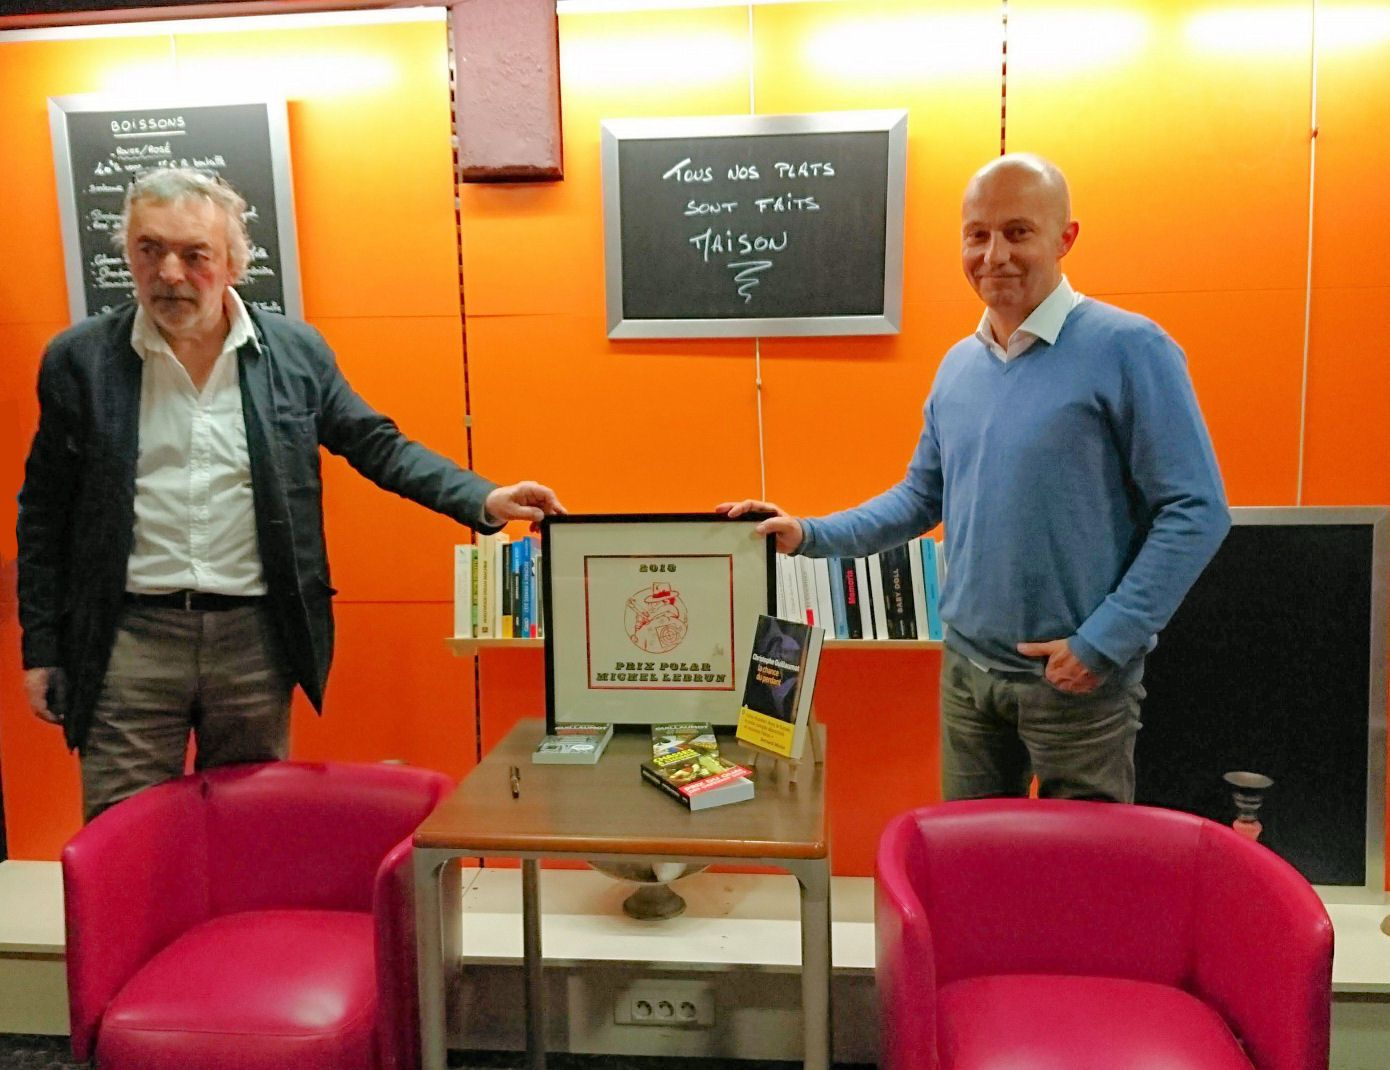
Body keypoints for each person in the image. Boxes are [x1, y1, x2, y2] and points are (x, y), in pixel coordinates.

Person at [17, 167, 566, 820]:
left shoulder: (294, 353)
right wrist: (42, 648)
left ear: (233, 263)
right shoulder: (79, 360)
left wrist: (484, 498)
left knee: (248, 824)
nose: (168, 273)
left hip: (254, 639)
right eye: (149, 249)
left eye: (194, 255)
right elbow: (44, 513)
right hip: (128, 638)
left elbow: (376, 444)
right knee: (123, 830)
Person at [721, 153, 1229, 804]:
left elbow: (1197, 510)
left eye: (1018, 232)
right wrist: (808, 534)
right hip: (966, 676)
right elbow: (920, 497)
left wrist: (1104, 641)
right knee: (969, 854)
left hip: (1076, 686)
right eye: (977, 235)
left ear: (1065, 238)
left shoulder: (1131, 348)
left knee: (1081, 862)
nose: (995, 255)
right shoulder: (958, 367)